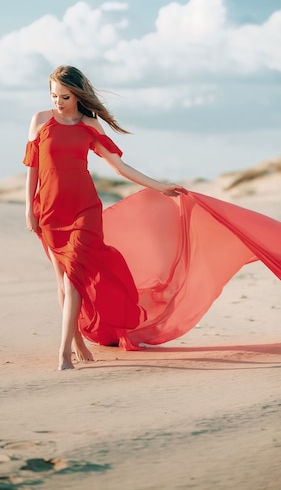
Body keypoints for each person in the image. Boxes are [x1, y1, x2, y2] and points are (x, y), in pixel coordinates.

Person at [23, 65, 183, 370]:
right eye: (53, 95)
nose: (57, 101)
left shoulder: (90, 126)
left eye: (65, 96)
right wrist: (28, 208)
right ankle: (77, 339)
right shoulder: (40, 121)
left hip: (84, 209)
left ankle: (63, 354)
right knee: (61, 279)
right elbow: (32, 167)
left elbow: (120, 168)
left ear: (78, 94)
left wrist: (160, 186)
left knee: (73, 280)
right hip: (49, 210)